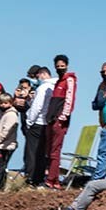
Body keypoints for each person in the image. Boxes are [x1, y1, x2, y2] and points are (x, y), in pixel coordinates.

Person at [44, 54, 78, 189]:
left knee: (55, 150)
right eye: (57, 66)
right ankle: (50, 177)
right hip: (51, 119)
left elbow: (70, 99)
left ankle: (53, 180)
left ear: (67, 65)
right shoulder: (57, 81)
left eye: (62, 66)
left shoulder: (70, 79)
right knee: (50, 149)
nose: (60, 68)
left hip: (59, 120)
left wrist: (63, 116)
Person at [23, 65, 53, 186]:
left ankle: (30, 178)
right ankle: (39, 178)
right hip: (48, 123)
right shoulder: (56, 86)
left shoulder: (43, 88)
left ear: (43, 74)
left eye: (37, 76)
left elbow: (37, 107)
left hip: (37, 123)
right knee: (42, 153)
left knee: (32, 153)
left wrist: (29, 121)